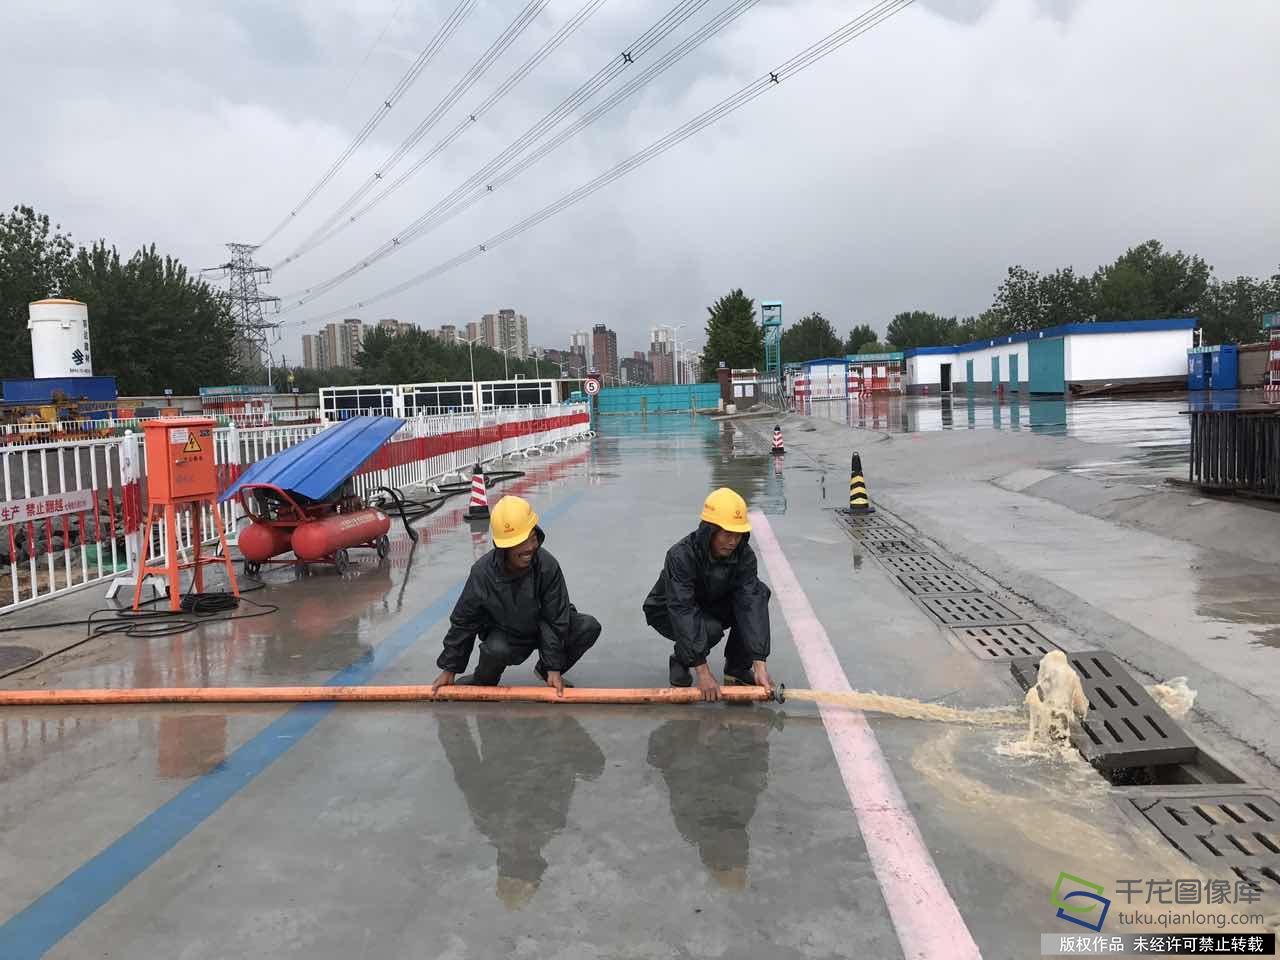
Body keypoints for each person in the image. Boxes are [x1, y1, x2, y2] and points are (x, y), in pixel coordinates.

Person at [431, 495, 600, 695]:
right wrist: (450, 668)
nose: (529, 548)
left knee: (587, 626)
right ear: (504, 546)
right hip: (507, 634)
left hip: (542, 628)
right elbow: (464, 621)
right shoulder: (483, 574)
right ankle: (484, 679)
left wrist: (554, 667)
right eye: (520, 542)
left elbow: (555, 618)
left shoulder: (547, 566)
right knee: (495, 650)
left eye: (532, 538)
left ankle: (546, 672)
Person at [643, 488, 774, 702]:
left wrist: (760, 663)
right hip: (667, 610)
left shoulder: (744, 555)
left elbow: (750, 603)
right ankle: (681, 660)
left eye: (738, 535)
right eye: (727, 534)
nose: (733, 542)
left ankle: (737, 668)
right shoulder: (681, 555)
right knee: (709, 629)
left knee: (759, 593)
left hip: (710, 602)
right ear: (709, 531)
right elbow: (682, 609)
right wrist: (703, 672)